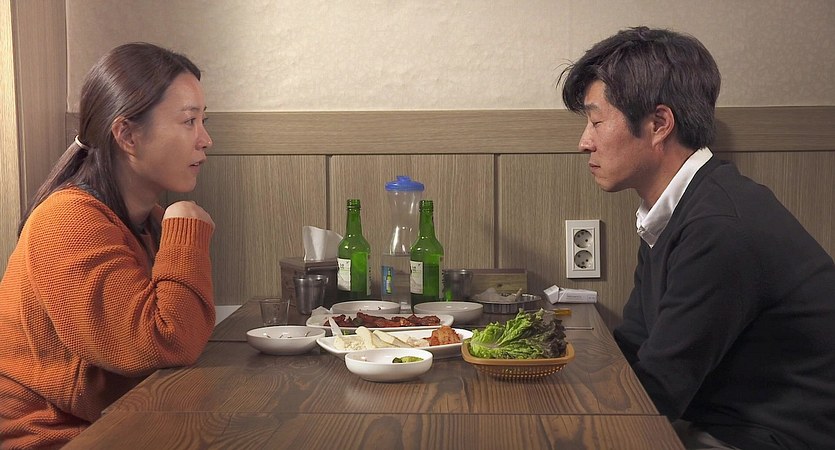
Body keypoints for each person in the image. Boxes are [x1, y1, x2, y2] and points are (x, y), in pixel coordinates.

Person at [559, 27, 835, 449]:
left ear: (658, 124)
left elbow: (659, 391)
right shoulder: (676, 208)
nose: (584, 143)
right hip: (715, 422)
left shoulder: (718, 225)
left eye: (596, 121)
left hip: (768, 437)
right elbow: (634, 345)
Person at [0, 43, 216, 448]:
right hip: (49, 438)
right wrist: (185, 229)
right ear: (127, 135)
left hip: (116, 425)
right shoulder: (68, 221)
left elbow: (181, 338)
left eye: (204, 121)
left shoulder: (146, 220)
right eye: (189, 121)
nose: (205, 139)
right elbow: (165, 342)